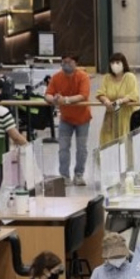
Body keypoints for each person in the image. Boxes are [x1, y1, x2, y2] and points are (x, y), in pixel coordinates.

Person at [44, 55, 91, 185]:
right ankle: (64, 176)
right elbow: (48, 94)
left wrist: (65, 100)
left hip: (83, 118)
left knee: (82, 148)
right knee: (63, 148)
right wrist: (53, 99)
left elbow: (83, 95)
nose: (66, 65)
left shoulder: (83, 76)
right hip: (65, 119)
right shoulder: (56, 77)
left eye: (69, 62)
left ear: (76, 63)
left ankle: (79, 174)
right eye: (64, 62)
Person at [95, 52, 140, 145]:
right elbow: (101, 93)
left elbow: (133, 94)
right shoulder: (107, 78)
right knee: (109, 143)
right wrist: (106, 101)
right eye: (112, 63)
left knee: (125, 143)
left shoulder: (129, 77)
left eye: (117, 62)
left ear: (123, 63)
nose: (114, 65)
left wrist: (120, 101)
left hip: (126, 116)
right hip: (110, 116)